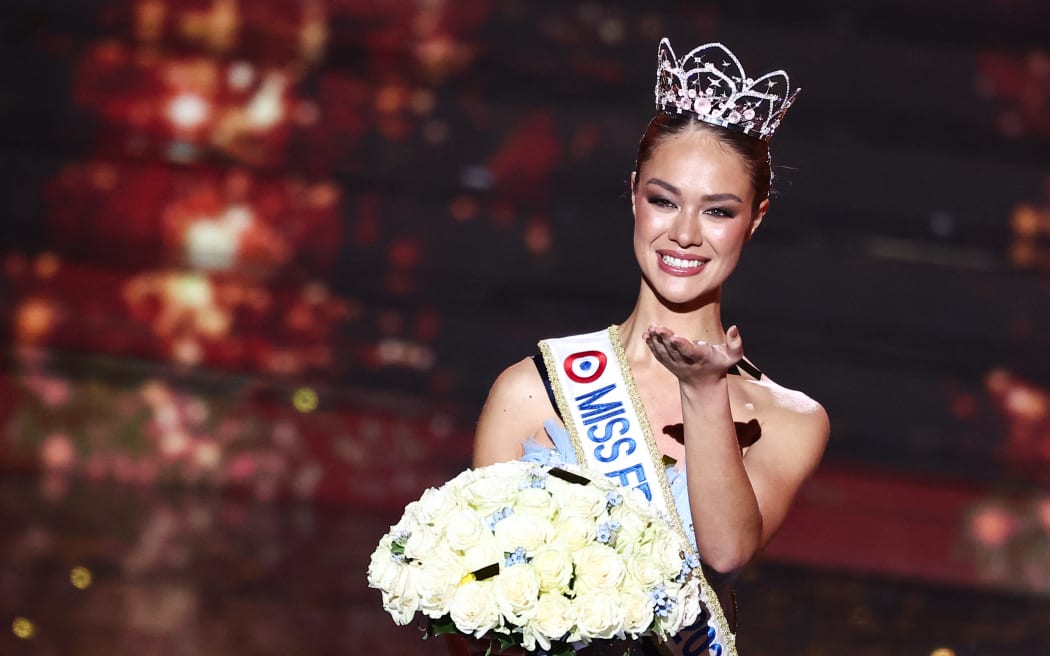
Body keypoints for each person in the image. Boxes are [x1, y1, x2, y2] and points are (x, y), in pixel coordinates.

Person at [453, 38, 829, 656]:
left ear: (756, 218)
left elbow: (726, 554)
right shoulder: (530, 389)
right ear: (634, 195)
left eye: (718, 212)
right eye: (663, 201)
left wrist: (705, 393)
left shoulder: (789, 419)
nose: (684, 234)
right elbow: (473, 610)